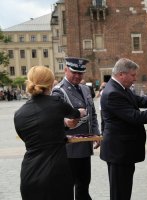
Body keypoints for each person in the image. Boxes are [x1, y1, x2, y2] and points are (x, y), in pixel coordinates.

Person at [100, 58, 147, 200]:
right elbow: (135, 116)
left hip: (124, 151)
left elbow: (140, 101)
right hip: (118, 152)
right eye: (132, 75)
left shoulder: (121, 88)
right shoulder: (113, 93)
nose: (135, 78)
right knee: (120, 193)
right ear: (122, 74)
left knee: (124, 189)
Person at [14, 66, 86, 200]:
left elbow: (33, 136)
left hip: (29, 173)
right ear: (51, 83)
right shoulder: (56, 102)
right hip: (55, 171)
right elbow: (75, 113)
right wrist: (81, 112)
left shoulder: (19, 114)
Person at [52, 57, 100, 200]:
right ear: (65, 70)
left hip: (85, 146)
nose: (78, 76)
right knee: (68, 187)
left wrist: (96, 133)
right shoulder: (59, 91)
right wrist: (65, 121)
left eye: (81, 73)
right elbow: (54, 119)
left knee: (84, 185)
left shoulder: (85, 89)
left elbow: (93, 113)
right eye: (74, 72)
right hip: (69, 149)